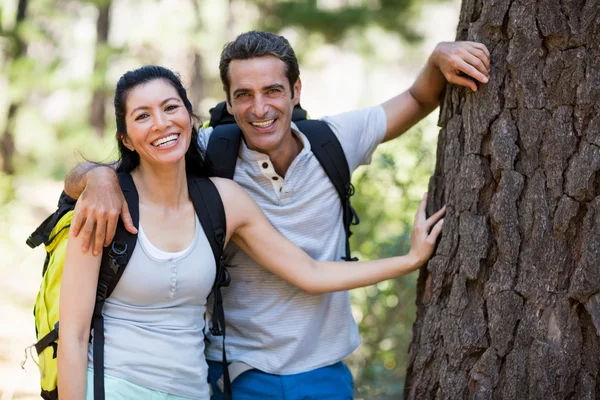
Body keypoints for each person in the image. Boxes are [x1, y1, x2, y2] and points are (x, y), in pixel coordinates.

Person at [64, 32, 489, 399]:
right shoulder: (204, 151)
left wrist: (438, 57)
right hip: (238, 371)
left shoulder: (334, 142)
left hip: (322, 369)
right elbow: (113, 170)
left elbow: (417, 97)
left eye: (272, 91)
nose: (259, 108)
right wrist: (98, 175)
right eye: (243, 95)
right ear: (228, 102)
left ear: (295, 91)